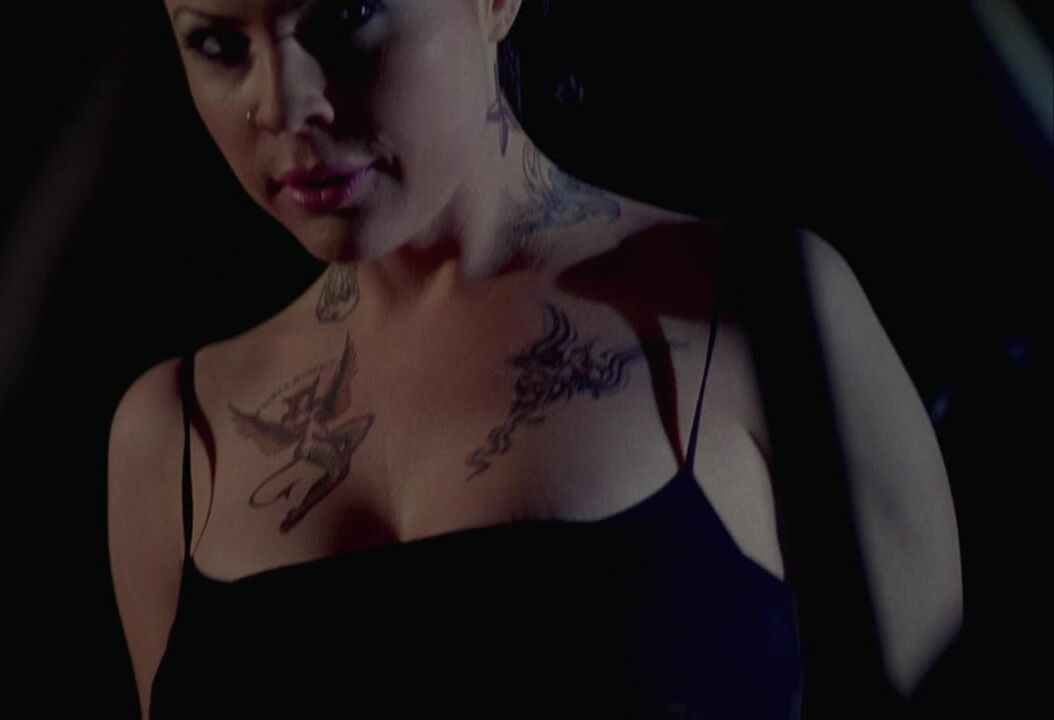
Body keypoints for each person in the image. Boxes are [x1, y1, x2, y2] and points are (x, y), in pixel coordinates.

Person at [107, 1, 963, 717]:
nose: (284, 105)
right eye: (219, 44)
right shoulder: (174, 435)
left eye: (346, 15)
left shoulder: (753, 315)